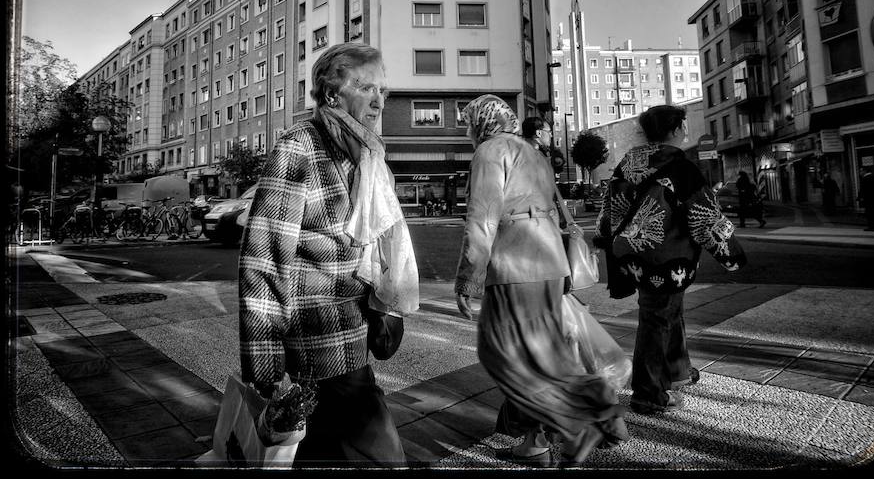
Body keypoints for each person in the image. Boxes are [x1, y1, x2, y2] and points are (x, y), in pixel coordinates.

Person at [239, 42, 418, 467]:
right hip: (313, 340)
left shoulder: (366, 153)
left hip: (353, 334)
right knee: (380, 452)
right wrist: (265, 364)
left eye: (383, 90)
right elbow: (264, 258)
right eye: (365, 87)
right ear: (332, 93)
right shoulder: (301, 146)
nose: (378, 99)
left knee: (318, 451)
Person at [455, 94, 628, 468]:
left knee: (501, 353)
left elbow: (482, 219)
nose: (469, 132)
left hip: (515, 264)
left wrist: (468, 279)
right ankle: (561, 429)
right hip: (549, 263)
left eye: (469, 124)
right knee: (543, 352)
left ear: (482, 123)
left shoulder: (490, 151)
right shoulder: (533, 154)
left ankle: (581, 418)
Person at [595, 105, 746, 415]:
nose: (685, 132)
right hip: (667, 259)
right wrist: (732, 255)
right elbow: (706, 219)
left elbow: (608, 210)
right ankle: (648, 393)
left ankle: (677, 370)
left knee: (668, 311)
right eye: (683, 127)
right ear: (676, 130)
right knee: (657, 317)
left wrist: (611, 240)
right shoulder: (682, 168)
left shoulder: (627, 164)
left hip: (632, 256)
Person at [858, 167, 874, 231]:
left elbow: (862, 190)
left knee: (869, 213)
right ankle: (873, 226)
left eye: (860, 171)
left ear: (865, 171)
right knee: (873, 212)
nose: (859, 173)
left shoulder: (865, 179)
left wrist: (860, 197)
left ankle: (872, 227)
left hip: (868, 200)